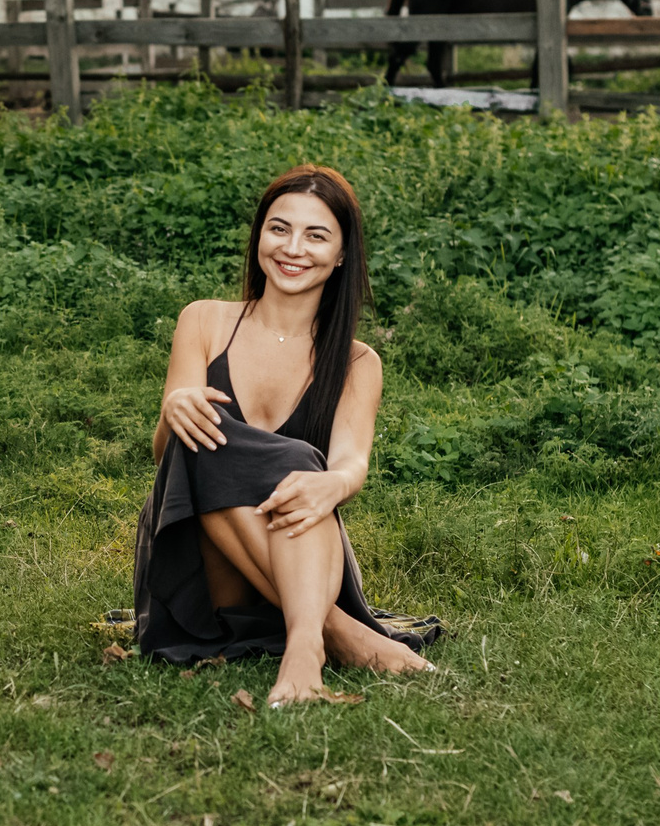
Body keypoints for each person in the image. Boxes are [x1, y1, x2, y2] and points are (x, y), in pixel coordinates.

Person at [132, 165, 440, 704]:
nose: (293, 248)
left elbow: (350, 461)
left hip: (303, 562)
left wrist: (333, 483)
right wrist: (172, 409)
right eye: (279, 229)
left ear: (341, 254)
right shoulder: (203, 321)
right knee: (206, 429)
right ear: (259, 237)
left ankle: (303, 648)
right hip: (200, 574)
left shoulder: (357, 362)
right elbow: (169, 457)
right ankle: (336, 630)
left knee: (299, 464)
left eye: (316, 235)